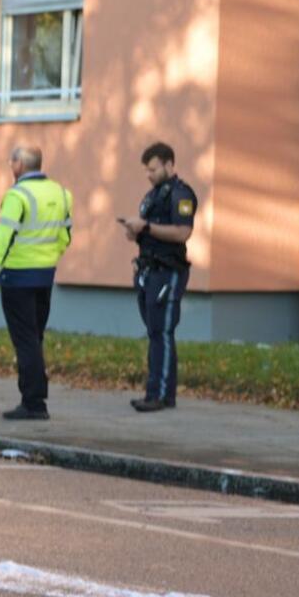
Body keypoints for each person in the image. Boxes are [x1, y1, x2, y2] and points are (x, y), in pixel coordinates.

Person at [0, 145, 73, 420]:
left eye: (11, 161)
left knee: (26, 341)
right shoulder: (61, 193)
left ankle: (34, 403)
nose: (10, 166)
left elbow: (2, 241)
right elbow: (65, 236)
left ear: (19, 164)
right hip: (45, 276)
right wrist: (49, 258)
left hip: (17, 277)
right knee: (35, 337)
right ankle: (35, 398)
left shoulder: (17, 196)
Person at [118, 141, 198, 412]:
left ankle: (160, 395)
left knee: (162, 332)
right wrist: (135, 231)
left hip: (168, 271)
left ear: (169, 165)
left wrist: (147, 227)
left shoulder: (181, 194)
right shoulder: (153, 196)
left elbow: (183, 232)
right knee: (155, 332)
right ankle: (157, 392)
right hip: (149, 270)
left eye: (152, 169)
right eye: (146, 170)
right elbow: (147, 231)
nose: (148, 175)